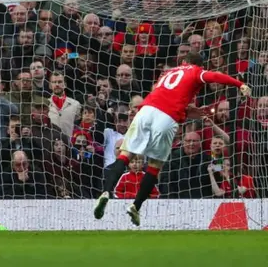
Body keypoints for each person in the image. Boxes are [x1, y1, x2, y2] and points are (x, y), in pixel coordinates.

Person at [94, 52, 250, 226]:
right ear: (197, 65)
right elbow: (214, 76)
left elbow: (171, 98)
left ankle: (106, 192)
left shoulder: (169, 73)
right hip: (166, 118)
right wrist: (239, 84)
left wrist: (188, 112)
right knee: (154, 166)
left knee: (124, 155)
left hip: (146, 111)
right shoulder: (195, 71)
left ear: (182, 61)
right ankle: (136, 206)